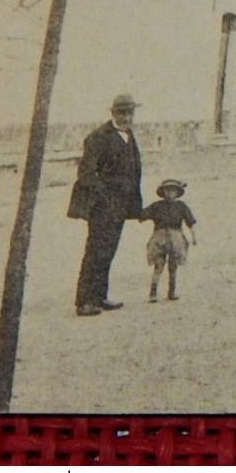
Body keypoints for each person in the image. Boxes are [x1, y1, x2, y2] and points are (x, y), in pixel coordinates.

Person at [67, 92, 145, 316]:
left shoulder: (129, 136)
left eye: (130, 112)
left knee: (108, 251)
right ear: (113, 113)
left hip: (120, 206)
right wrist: (104, 198)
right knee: (95, 251)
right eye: (122, 112)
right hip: (102, 207)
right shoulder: (98, 137)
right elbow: (87, 173)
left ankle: (99, 296)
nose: (126, 117)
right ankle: (83, 302)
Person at [141, 179, 198, 302]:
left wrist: (194, 236)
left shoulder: (182, 206)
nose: (170, 193)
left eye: (173, 190)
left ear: (178, 192)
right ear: (163, 192)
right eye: (167, 190)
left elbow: (190, 222)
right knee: (158, 265)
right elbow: (141, 215)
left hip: (176, 238)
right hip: (159, 237)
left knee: (173, 266)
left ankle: (171, 292)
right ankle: (153, 293)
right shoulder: (156, 206)